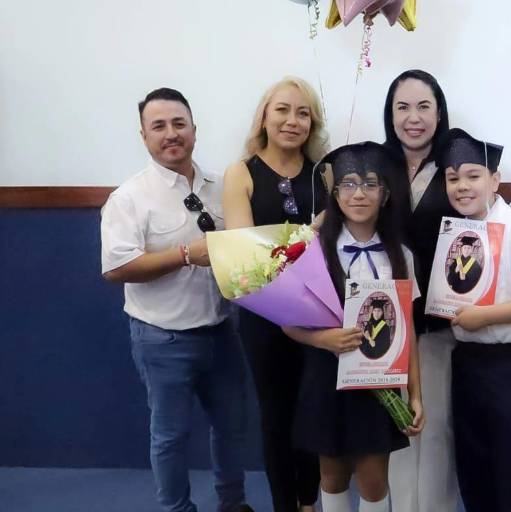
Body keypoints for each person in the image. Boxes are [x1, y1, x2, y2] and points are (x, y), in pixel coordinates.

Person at [382, 70, 511, 512]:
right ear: (389, 114)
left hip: (446, 322)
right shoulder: (379, 165)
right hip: (388, 321)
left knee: (437, 430)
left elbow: (493, 215)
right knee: (394, 426)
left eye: (424, 106)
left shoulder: (455, 162)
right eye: (402, 107)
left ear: (440, 112)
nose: (413, 118)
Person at [100, 88, 253, 512]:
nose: (171, 134)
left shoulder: (223, 188)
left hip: (223, 331)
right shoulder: (129, 198)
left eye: (179, 124)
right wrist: (185, 255)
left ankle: (233, 503)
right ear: (144, 135)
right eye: (159, 126)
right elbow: (115, 269)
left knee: (232, 428)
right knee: (169, 437)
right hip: (162, 337)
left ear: (194, 130)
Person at [283, 142, 425, 512]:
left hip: (378, 381)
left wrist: (415, 394)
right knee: (331, 474)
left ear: (385, 193)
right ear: (334, 194)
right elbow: (288, 324)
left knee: (374, 480)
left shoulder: (401, 255)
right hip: (326, 375)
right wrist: (323, 338)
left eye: (369, 184)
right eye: (347, 184)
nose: (358, 193)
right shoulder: (313, 251)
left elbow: (406, 331)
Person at [434, 128, 511, 512]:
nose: (462, 187)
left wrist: (484, 317)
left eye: (473, 176)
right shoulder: (458, 232)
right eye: (453, 178)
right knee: (475, 473)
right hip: (471, 365)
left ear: (494, 180)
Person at [223, 76, 328, 512]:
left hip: (322, 313)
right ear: (264, 117)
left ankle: (310, 502)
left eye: (303, 113)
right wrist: (312, 232)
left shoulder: (328, 173)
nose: (292, 120)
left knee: (315, 410)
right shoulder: (240, 173)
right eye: (282, 110)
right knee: (278, 414)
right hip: (264, 318)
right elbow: (246, 261)